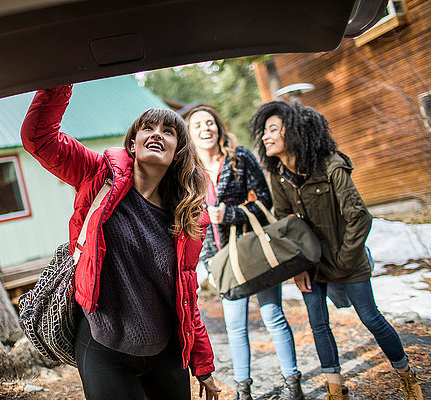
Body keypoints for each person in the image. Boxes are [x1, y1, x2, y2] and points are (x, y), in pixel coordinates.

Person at [21, 85, 221, 400]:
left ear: (178, 150)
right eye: (148, 128)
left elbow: (187, 294)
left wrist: (203, 364)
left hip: (166, 352)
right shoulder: (97, 175)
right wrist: (62, 78)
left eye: (168, 131)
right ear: (133, 142)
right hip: (103, 347)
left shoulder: (186, 218)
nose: (157, 134)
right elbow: (40, 138)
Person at [249, 100, 423, 400]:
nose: (266, 136)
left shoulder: (331, 165)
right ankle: (335, 389)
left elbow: (358, 217)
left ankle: (406, 374)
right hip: (311, 263)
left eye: (273, 129)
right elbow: (284, 222)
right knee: (318, 324)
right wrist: (298, 266)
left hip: (348, 258)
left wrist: (344, 262)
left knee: (371, 318)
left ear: (295, 132)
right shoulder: (278, 175)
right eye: (264, 131)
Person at [186, 106, 304, 400]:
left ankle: (293, 384)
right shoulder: (188, 171)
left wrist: (230, 213)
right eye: (198, 124)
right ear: (190, 133)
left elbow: (265, 202)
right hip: (221, 261)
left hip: (254, 251)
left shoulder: (240, 158)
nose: (206, 128)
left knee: (273, 315)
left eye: (210, 122)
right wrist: (206, 261)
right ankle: (243, 391)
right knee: (235, 326)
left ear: (219, 127)